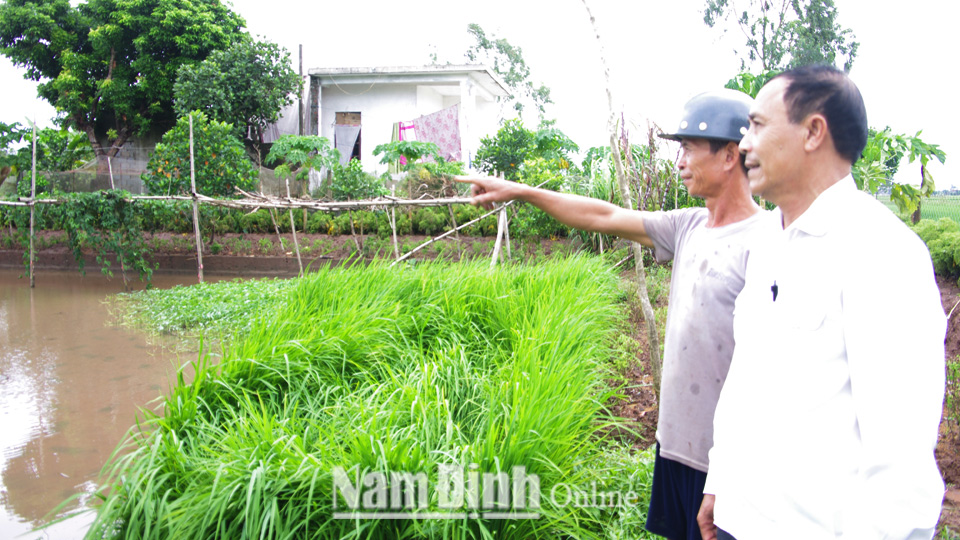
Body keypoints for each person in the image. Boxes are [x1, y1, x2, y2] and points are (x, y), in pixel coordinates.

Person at [457, 89, 765, 540]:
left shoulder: (765, 243)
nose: (679, 161)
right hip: (676, 449)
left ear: (729, 155)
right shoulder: (688, 227)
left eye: (688, 148)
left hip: (724, 465)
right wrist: (521, 192)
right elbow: (603, 215)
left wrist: (728, 472)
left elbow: (763, 371)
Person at [697, 65, 946, 540]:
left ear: (813, 131)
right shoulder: (769, 238)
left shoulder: (881, 252)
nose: (744, 144)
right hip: (739, 520)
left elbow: (900, 453)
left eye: (758, 125)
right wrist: (720, 480)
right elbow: (744, 378)